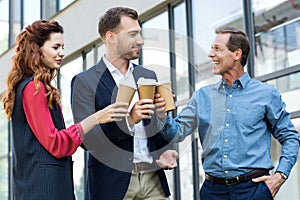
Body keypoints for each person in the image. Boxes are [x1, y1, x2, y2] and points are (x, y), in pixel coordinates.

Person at [155, 26, 300, 199]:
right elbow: (175, 133)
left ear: (237, 54)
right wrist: (162, 115)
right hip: (213, 191)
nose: (210, 54)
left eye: (217, 49)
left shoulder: (266, 94)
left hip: (253, 190)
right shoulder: (202, 96)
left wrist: (280, 175)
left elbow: (290, 137)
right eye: (211, 48)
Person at [1, 20, 131, 200]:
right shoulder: (33, 89)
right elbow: (56, 143)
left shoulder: (33, 87)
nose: (61, 53)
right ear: (36, 49)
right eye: (55, 47)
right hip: (44, 190)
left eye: (63, 46)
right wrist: (95, 118)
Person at [71, 7, 177, 200]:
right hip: (112, 184)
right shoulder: (85, 82)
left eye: (140, 34)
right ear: (110, 37)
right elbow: (88, 140)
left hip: (153, 181)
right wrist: (129, 119)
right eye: (133, 34)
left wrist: (165, 148)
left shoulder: (147, 76)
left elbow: (154, 130)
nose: (141, 41)